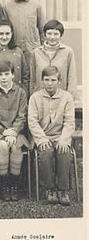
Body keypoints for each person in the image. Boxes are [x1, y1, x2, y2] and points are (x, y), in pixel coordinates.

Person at [28, 66, 75, 206]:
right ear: (42, 81)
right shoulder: (35, 97)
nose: (50, 83)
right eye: (46, 80)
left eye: (53, 80)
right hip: (43, 136)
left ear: (59, 81)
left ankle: (63, 189)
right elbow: (32, 121)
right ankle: (49, 189)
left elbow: (69, 121)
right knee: (46, 152)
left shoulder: (67, 97)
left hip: (60, 136)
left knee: (64, 151)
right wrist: (41, 138)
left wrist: (64, 139)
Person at [0, 61, 30, 201]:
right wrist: (4, 131)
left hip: (17, 131)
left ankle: (14, 184)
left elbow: (22, 115)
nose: (3, 77)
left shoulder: (21, 92)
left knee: (16, 146)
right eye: (0, 75)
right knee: (3, 145)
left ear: (13, 75)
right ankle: (3, 185)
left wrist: (14, 131)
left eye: (7, 74)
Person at [29, 19, 77, 100]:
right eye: (49, 33)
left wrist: (69, 99)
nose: (52, 37)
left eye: (56, 34)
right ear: (44, 35)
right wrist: (33, 96)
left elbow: (72, 78)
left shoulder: (68, 52)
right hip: (40, 98)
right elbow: (32, 79)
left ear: (61, 35)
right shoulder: (36, 53)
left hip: (61, 99)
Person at [4, 0, 44, 64]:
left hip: (33, 48)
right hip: (14, 48)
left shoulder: (36, 6)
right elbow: (5, 29)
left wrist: (43, 47)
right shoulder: (7, 7)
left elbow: (41, 29)